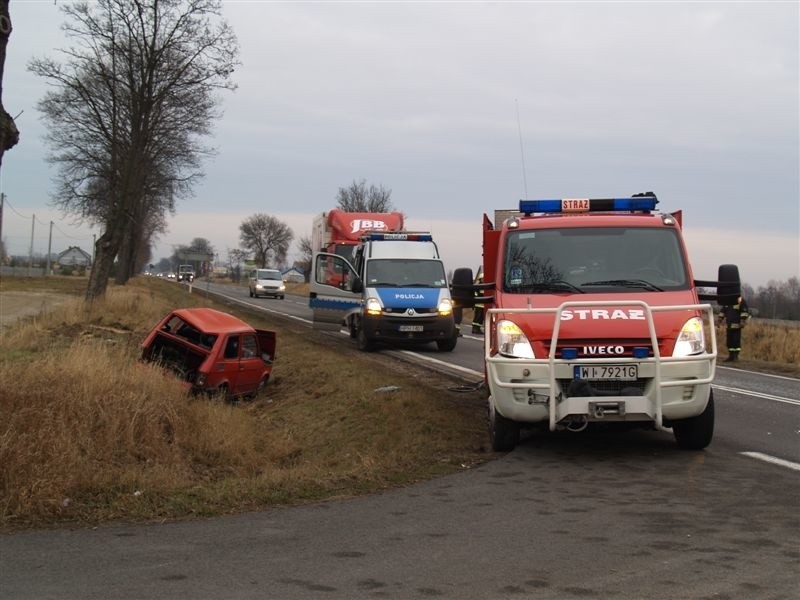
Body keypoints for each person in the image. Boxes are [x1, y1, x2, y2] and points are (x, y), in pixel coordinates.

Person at [719, 296, 750, 362]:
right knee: (729, 342)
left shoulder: (739, 300)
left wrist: (742, 320)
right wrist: (719, 319)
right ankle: (731, 356)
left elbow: (744, 311)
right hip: (729, 326)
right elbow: (722, 311)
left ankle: (736, 356)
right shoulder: (727, 300)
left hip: (737, 326)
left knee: (736, 342)